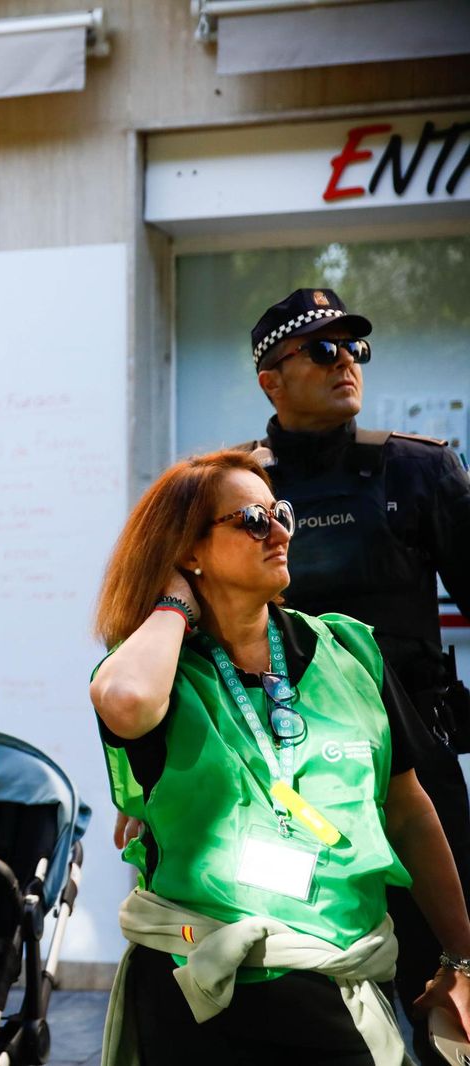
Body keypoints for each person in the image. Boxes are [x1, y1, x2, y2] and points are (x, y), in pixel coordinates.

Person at [91, 450, 470, 1064]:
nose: (280, 532)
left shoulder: (348, 650)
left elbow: (409, 811)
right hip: (200, 990)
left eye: (281, 513)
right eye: (251, 520)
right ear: (190, 553)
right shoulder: (158, 668)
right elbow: (126, 702)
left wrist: (462, 954)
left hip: (336, 975)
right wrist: (169, 608)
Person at [241, 286, 470, 1053]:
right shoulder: (235, 489)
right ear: (270, 379)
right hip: (283, 780)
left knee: (450, 991)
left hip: (417, 775)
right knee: (308, 1000)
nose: (347, 363)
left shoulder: (420, 472)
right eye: (322, 349)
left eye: (355, 348)